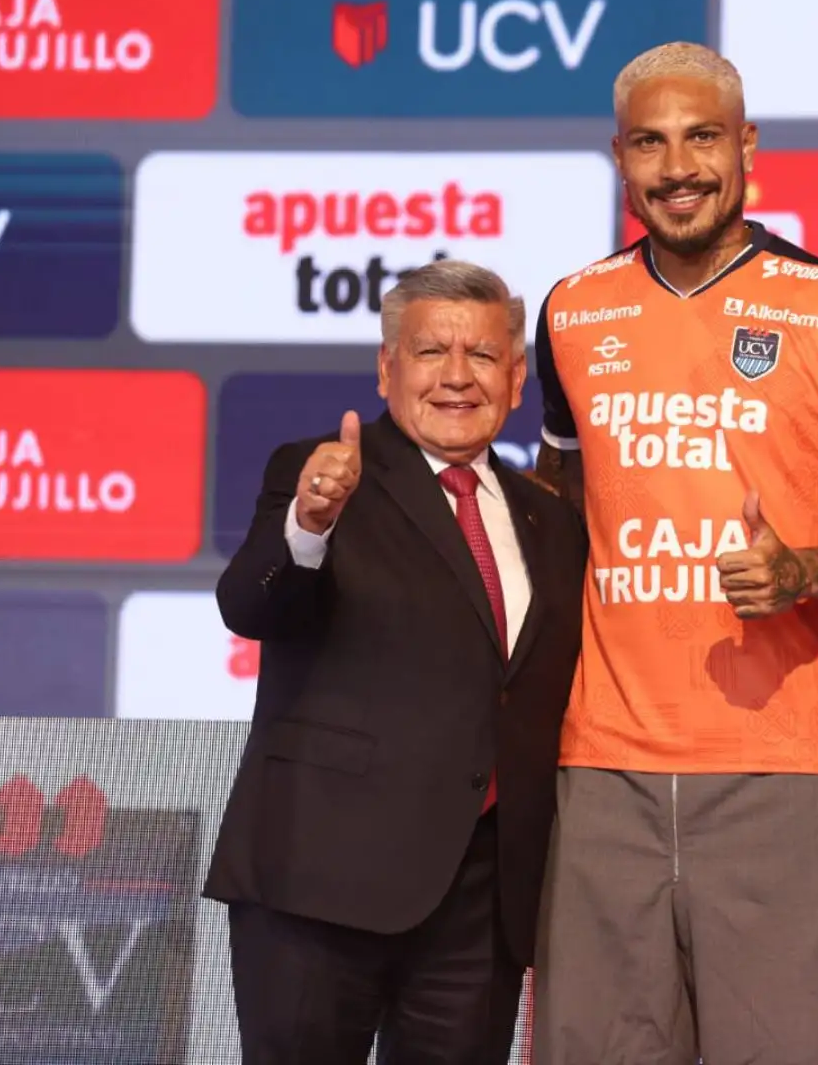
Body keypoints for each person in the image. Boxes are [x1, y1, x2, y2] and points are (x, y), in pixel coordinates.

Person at [532, 41, 818, 1064]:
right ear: (619, 157)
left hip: (782, 768)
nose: (678, 167)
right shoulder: (571, 310)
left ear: (746, 145)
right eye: (650, 143)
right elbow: (555, 502)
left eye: (703, 137)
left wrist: (805, 569)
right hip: (600, 767)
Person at [205, 260, 588, 1065]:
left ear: (517, 378)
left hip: (482, 908)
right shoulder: (321, 474)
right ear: (387, 369)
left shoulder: (548, 522)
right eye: (430, 353)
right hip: (318, 888)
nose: (457, 377)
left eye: (482, 356)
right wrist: (308, 526)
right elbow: (252, 604)